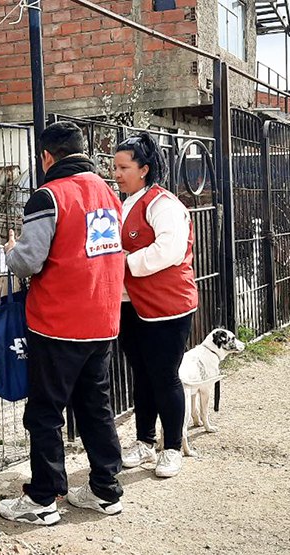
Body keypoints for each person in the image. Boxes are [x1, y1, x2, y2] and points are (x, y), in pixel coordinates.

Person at [0, 121, 126, 526]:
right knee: (95, 406)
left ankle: (42, 499)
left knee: (45, 412)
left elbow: (29, 260)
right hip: (103, 319)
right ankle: (106, 491)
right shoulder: (108, 192)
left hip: (57, 322)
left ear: (46, 157)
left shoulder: (47, 196)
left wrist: (10, 250)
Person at [113, 132, 198, 478]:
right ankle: (145, 441)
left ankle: (173, 447)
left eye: (123, 167)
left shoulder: (164, 204)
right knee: (142, 375)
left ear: (144, 169)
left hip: (168, 306)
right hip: (132, 306)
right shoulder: (127, 202)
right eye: (114, 167)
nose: (116, 174)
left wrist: (124, 263)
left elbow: (170, 250)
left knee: (164, 377)